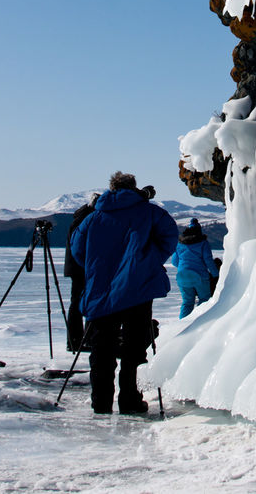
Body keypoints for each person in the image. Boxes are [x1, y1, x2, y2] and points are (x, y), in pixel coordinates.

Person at [71, 171, 178, 415]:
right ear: (133, 188)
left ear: (112, 188)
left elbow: (78, 249)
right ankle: (130, 400)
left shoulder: (93, 217)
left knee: (101, 350)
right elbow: (170, 236)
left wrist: (96, 266)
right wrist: (148, 261)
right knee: (134, 347)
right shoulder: (150, 212)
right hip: (138, 289)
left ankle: (101, 403)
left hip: (100, 289)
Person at [63, 192, 99, 352]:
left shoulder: (81, 217)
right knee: (81, 302)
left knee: (77, 302)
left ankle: (76, 339)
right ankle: (80, 339)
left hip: (76, 267)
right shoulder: (86, 220)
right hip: (82, 267)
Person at [172, 218, 220, 319]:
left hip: (182, 276)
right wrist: (216, 275)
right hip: (199, 276)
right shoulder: (203, 243)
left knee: (187, 303)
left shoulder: (179, 244)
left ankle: (182, 326)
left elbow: (175, 261)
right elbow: (208, 261)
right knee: (204, 300)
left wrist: (184, 268)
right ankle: (199, 324)